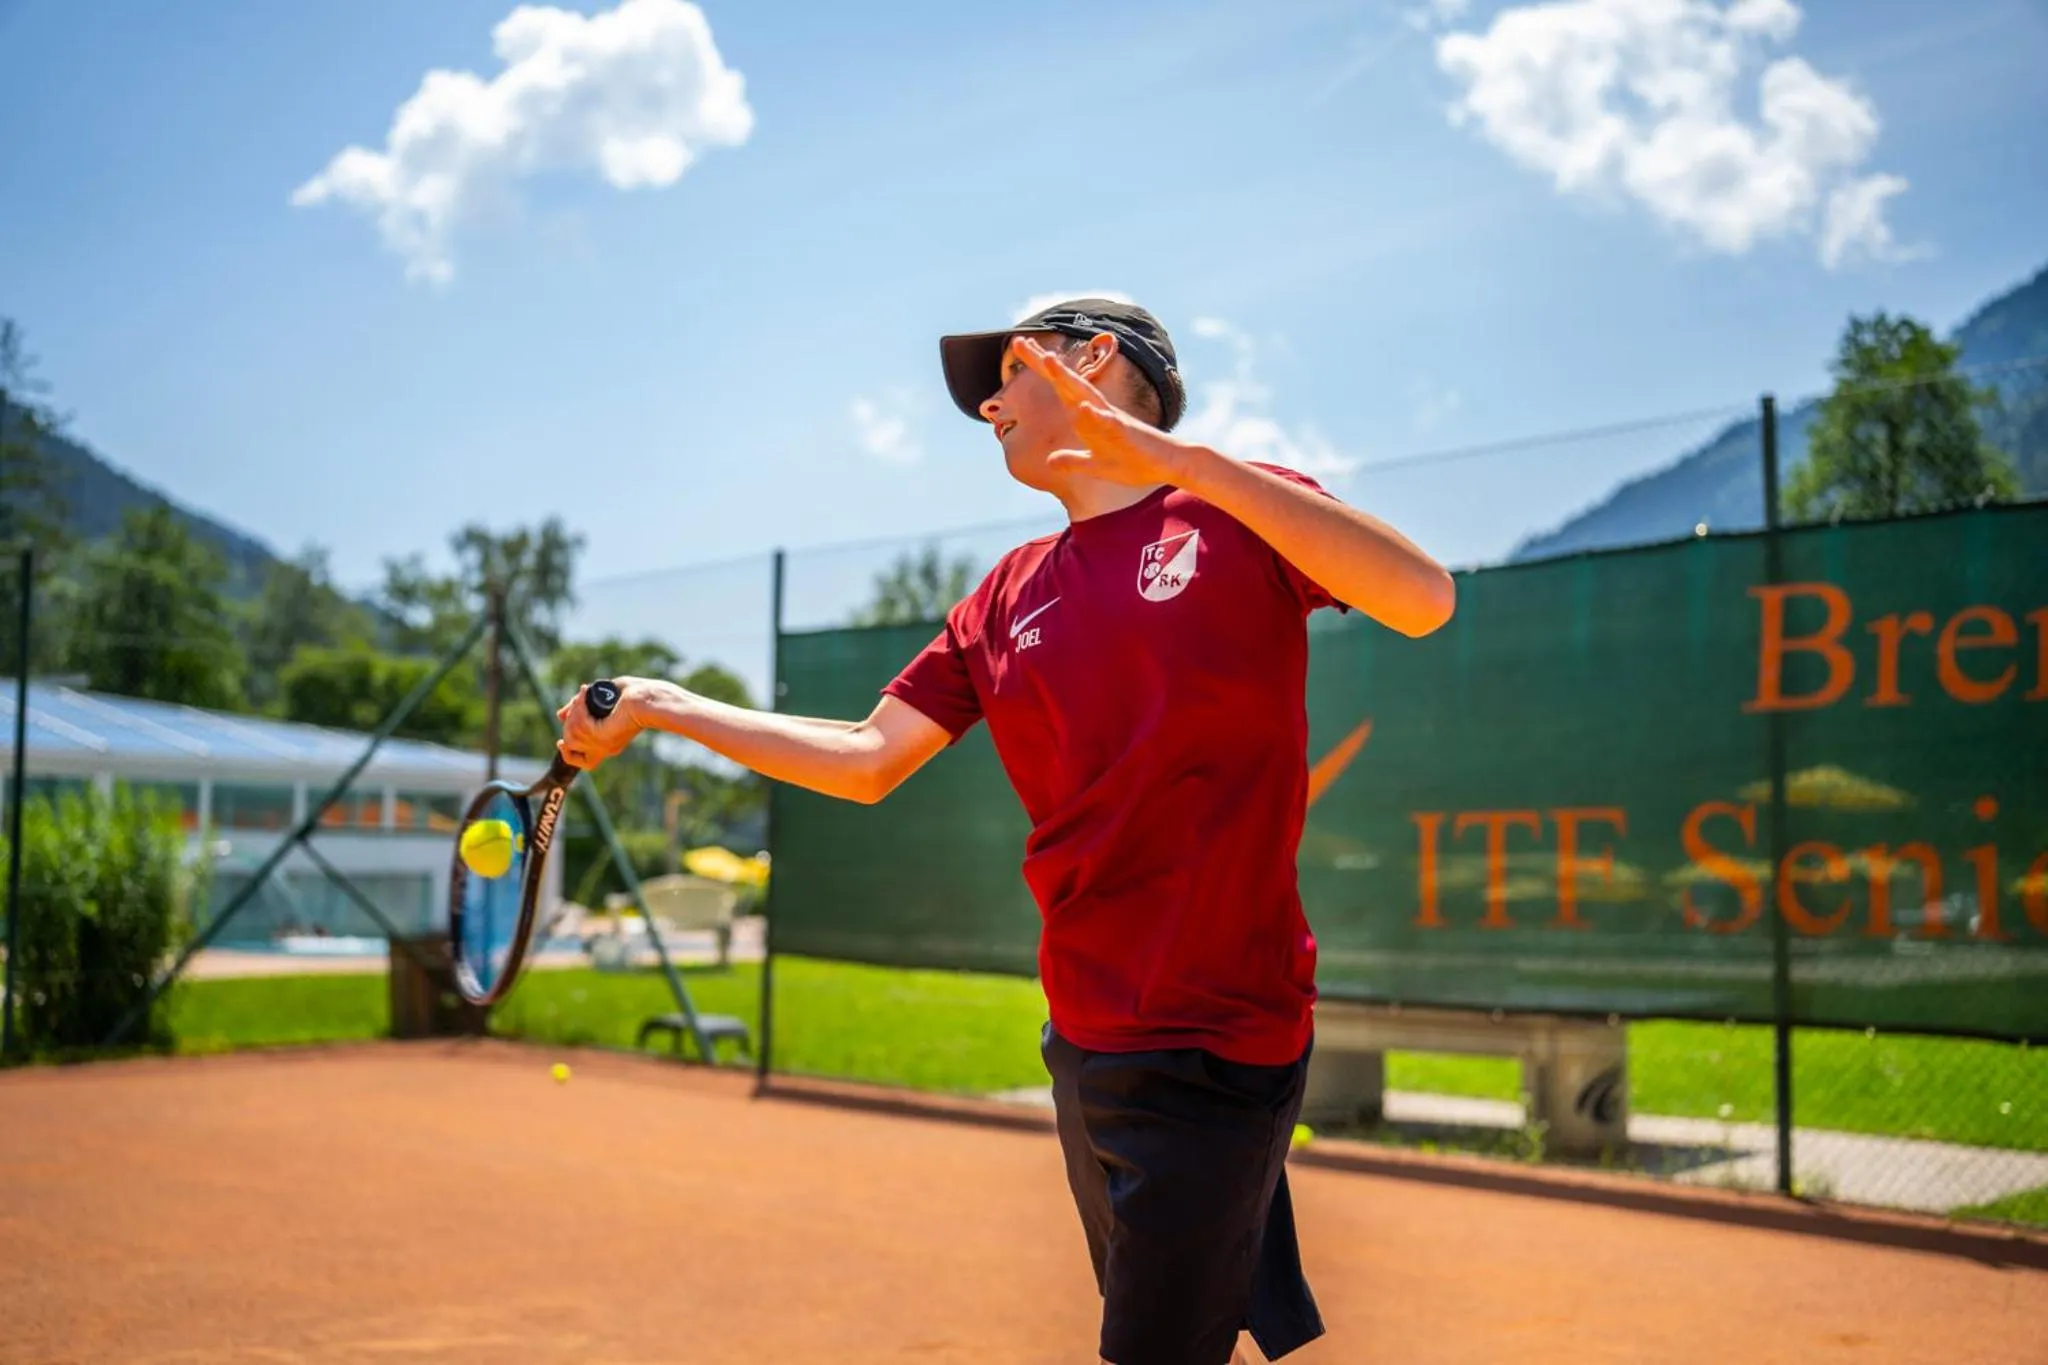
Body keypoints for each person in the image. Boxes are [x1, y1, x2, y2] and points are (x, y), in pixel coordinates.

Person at [557, 298, 1455, 1364]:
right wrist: (665, 707)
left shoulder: (1232, 510)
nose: (988, 405)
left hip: (1216, 1034)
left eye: (1009, 373)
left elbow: (1421, 597)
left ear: (1095, 358)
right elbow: (867, 756)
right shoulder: (1005, 595)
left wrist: (1185, 463)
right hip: (1082, 1038)